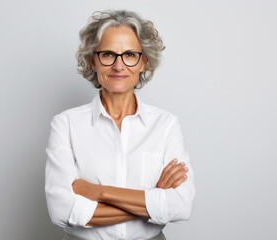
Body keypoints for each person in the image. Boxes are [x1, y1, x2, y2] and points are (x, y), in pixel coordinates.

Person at [45, 9, 195, 240]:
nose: (118, 66)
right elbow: (61, 211)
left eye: (129, 55)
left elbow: (181, 206)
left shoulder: (166, 125)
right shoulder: (65, 124)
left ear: (143, 62)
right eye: (107, 54)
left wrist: (97, 192)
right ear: (93, 61)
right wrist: (153, 199)